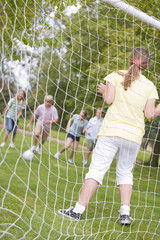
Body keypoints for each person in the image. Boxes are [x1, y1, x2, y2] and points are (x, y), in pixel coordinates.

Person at [58, 48, 160, 224]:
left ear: (129, 60)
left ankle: (77, 211)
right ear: (147, 65)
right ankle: (125, 214)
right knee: (125, 172)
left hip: (111, 131)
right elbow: (150, 114)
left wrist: (105, 89)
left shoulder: (115, 75)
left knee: (96, 170)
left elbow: (108, 100)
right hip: (134, 136)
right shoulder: (150, 86)